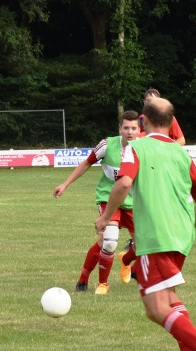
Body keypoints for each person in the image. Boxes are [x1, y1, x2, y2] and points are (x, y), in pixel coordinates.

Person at [96, 97, 196, 351]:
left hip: (155, 238)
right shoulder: (183, 155)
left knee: (155, 308)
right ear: (171, 122)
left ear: (143, 121)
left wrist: (106, 217)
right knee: (168, 299)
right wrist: (182, 229)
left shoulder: (136, 147)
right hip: (182, 238)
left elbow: (124, 182)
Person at [53, 111, 141, 295]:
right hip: (108, 199)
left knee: (143, 245)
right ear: (120, 129)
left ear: (139, 130)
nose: (130, 132)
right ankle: (101, 284)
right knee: (109, 242)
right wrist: (65, 184)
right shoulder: (107, 145)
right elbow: (86, 163)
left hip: (134, 202)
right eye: (126, 128)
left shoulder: (144, 149)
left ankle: (124, 260)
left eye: (133, 128)